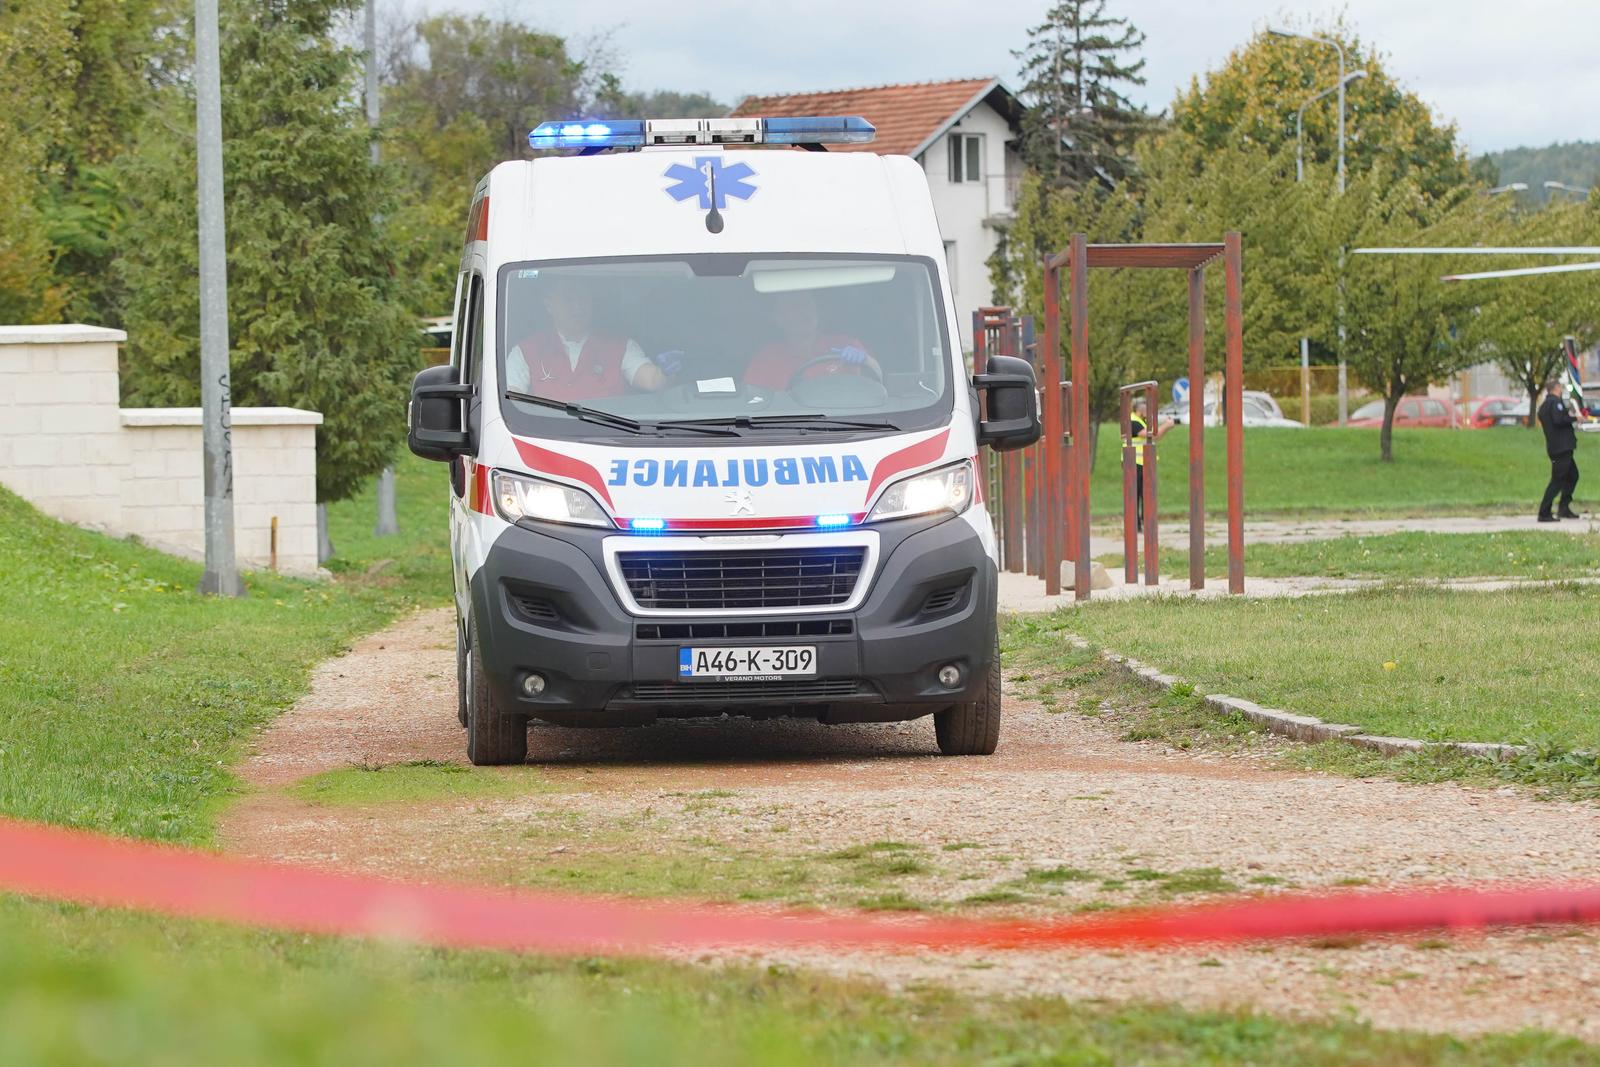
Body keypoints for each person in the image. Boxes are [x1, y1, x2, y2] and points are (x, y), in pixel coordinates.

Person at [506, 276, 677, 402]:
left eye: (583, 298)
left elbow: (651, 380)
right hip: (542, 440)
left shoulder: (620, 346)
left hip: (609, 438)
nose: (577, 307)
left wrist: (667, 371)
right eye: (568, 299)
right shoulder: (526, 350)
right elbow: (509, 399)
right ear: (549, 304)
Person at [743, 289, 881, 390]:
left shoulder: (845, 344)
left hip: (849, 420)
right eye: (795, 307)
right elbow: (752, 399)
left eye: (808, 304)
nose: (804, 312)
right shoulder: (767, 358)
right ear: (778, 317)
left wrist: (866, 360)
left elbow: (879, 381)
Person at [1538, 376, 1581, 521]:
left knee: (1572, 476)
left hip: (1557, 447)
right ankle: (1544, 512)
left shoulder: (1544, 405)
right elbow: (1559, 420)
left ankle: (1564, 507)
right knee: (1557, 480)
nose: (1561, 390)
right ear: (1556, 388)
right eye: (1560, 388)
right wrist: (1575, 418)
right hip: (1561, 448)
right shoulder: (1555, 403)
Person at [1129, 397, 1174, 532]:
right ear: (1140, 409)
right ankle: (1135, 524)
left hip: (1144, 463)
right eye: (1146, 408)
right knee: (1135, 495)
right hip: (1134, 463)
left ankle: (1145, 522)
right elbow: (1152, 436)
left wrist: (1165, 427)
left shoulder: (1142, 421)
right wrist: (1166, 426)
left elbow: (1155, 435)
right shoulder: (1133, 422)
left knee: (1146, 494)